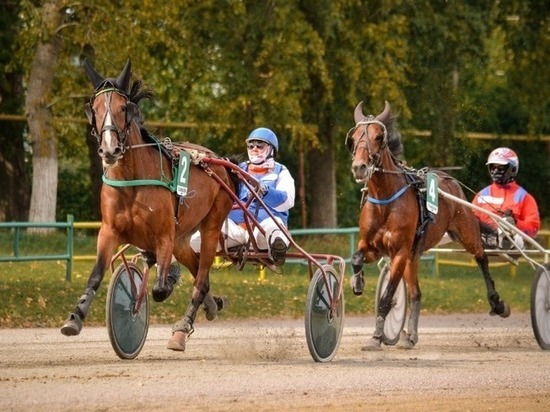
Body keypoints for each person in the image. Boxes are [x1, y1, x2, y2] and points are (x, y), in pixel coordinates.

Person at [190, 127, 295, 266]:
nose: (254, 149)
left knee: (273, 225)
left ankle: (278, 249)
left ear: (271, 149)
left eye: (260, 145)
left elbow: (287, 201)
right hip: (235, 230)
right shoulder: (238, 169)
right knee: (197, 237)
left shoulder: (281, 171)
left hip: (262, 231)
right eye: (251, 145)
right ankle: (171, 268)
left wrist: (266, 192)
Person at [472, 147, 540, 249]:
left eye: (500, 168)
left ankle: (502, 240)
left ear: (512, 169)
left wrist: (515, 223)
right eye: (492, 167)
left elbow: (533, 228)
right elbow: (470, 219)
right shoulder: (481, 195)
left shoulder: (523, 197)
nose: (495, 171)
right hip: (483, 242)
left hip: (512, 244)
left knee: (505, 224)